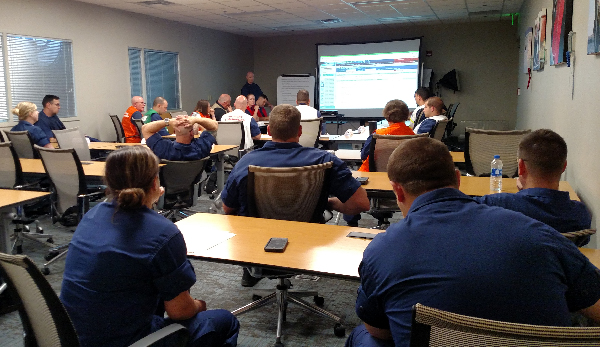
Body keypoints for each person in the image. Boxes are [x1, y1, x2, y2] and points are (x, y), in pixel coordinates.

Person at [345, 137, 600, 347]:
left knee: (363, 337)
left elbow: (379, 331)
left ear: (397, 191)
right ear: (458, 180)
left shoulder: (381, 250)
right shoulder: (541, 234)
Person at [59, 146, 239, 347]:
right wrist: (199, 305)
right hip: (124, 340)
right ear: (155, 182)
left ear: (108, 182)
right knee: (224, 321)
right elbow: (180, 311)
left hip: (72, 334)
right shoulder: (163, 233)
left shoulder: (91, 216)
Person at [221, 104, 370, 286]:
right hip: (307, 241)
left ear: (269, 130)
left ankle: (251, 271)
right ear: (299, 131)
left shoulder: (246, 162)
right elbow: (362, 204)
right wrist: (328, 203)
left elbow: (228, 208)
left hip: (257, 243)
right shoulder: (325, 160)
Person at [474, 129, 591, 246]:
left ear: (521, 166)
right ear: (563, 166)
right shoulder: (580, 215)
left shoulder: (497, 205)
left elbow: (459, 209)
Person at [358, 100, 414, 172]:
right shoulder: (413, 136)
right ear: (406, 115)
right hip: (403, 178)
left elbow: (363, 156)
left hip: (374, 177)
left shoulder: (377, 135)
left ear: (387, 116)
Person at [143, 115, 218, 161]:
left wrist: (168, 121)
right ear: (192, 133)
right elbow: (214, 126)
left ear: (175, 132)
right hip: (193, 184)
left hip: (166, 185)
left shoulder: (164, 148)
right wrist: (196, 119)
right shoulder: (201, 147)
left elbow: (145, 129)